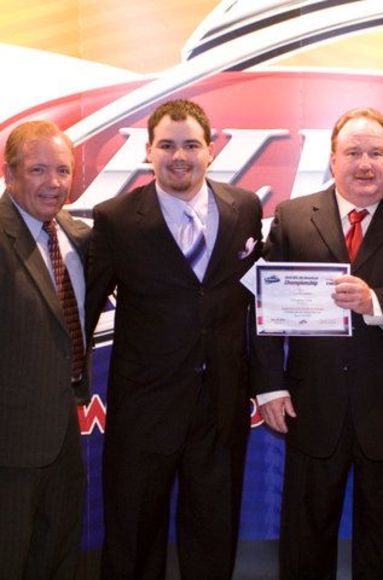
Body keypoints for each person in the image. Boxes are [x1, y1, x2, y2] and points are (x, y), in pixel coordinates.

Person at [251, 107, 383, 579]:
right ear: (333, 159)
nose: (365, 164)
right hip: (311, 407)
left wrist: (375, 301)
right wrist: (269, 386)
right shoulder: (292, 217)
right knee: (305, 542)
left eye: (376, 152)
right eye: (353, 152)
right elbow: (262, 306)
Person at [87, 99, 262, 579]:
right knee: (133, 541)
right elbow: (85, 309)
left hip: (220, 409)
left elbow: (257, 302)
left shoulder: (245, 209)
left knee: (212, 541)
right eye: (166, 145)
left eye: (190, 145)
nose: (179, 156)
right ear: (148, 151)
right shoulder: (115, 218)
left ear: (211, 150)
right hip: (144, 410)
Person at [0, 120, 90, 578]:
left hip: (65, 438)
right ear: (9, 172)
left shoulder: (75, 235)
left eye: (62, 170)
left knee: (56, 559)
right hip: (9, 445)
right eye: (38, 170)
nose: (53, 183)